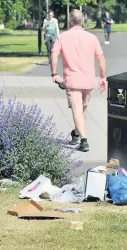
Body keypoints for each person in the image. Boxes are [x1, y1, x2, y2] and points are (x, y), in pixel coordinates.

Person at [51, 9, 106, 152]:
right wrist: (103, 77)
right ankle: (76, 133)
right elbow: (101, 59)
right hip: (88, 80)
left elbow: (54, 54)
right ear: (82, 21)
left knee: (77, 110)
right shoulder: (92, 38)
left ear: (70, 22)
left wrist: (55, 74)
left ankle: (84, 140)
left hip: (72, 80)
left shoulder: (62, 37)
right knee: (83, 109)